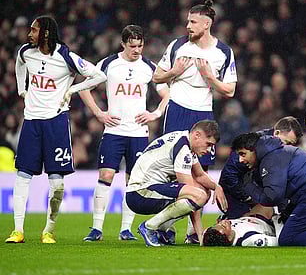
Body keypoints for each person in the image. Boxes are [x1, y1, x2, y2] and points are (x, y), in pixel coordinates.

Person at [7, 15, 107, 243]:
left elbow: (98, 75)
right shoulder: (26, 52)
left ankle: (49, 230)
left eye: (33, 30)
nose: (28, 34)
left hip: (56, 123)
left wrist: (73, 89)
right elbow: (19, 64)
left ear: (45, 34)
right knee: (22, 175)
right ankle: (18, 230)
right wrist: (22, 89)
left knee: (57, 183)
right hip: (31, 121)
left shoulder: (66, 56)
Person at [152, 0, 237, 242]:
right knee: (171, 172)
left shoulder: (223, 52)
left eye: (193, 21)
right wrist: (173, 73)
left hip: (203, 113)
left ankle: (191, 232)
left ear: (207, 24)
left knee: (202, 173)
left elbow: (229, 90)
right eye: (188, 21)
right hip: (177, 110)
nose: (187, 25)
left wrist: (210, 76)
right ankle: (166, 228)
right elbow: (157, 76)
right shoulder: (178, 45)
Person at [80, 25, 165, 242]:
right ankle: (96, 228)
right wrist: (99, 113)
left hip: (138, 133)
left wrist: (155, 113)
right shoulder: (109, 64)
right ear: (123, 44)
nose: (137, 50)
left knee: (132, 181)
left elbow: (167, 92)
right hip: (114, 131)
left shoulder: (149, 67)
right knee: (106, 175)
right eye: (132, 46)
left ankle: (125, 229)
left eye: (140, 46)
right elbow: (83, 88)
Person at [125, 120, 228, 247]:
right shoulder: (183, 149)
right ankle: (149, 227)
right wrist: (200, 233)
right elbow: (192, 193)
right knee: (199, 195)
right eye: (208, 144)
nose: (209, 149)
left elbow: (200, 176)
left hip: (148, 188)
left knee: (203, 190)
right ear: (197, 135)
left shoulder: (185, 142)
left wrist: (217, 187)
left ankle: (161, 230)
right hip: (140, 192)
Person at [219, 116, 303, 219]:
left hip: (252, 192)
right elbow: (229, 175)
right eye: (287, 142)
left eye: (292, 145)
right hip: (231, 195)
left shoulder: (278, 152)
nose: (288, 147)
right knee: (247, 224)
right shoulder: (251, 144)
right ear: (276, 133)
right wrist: (248, 198)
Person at [202, 204, 280, 247]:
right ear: (228, 239)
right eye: (223, 226)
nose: (223, 222)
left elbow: (205, 233)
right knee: (269, 199)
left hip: (246, 215)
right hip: (264, 219)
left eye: (218, 224)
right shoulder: (248, 239)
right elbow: (278, 241)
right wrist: (277, 220)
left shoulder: (212, 235)